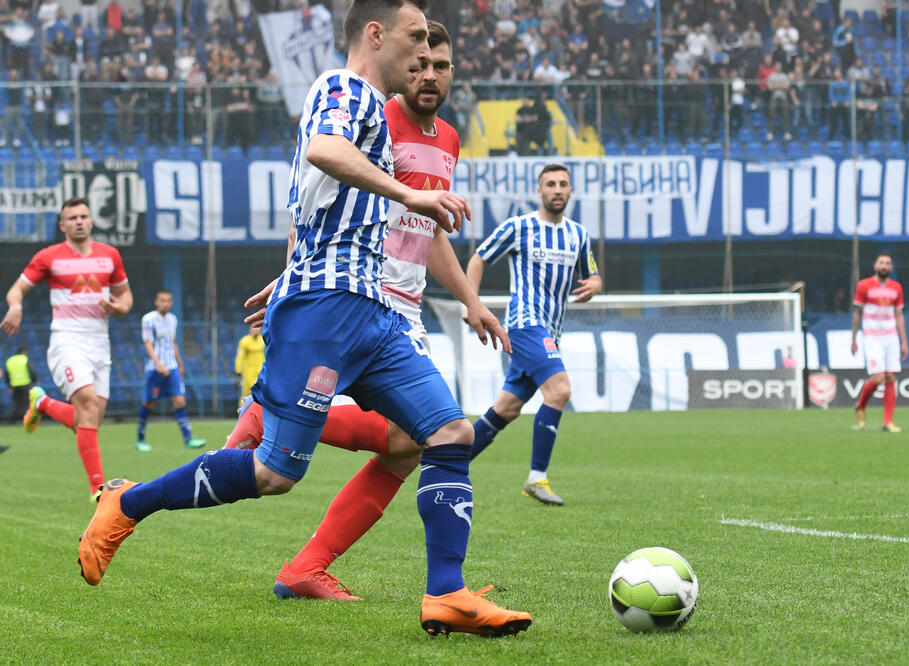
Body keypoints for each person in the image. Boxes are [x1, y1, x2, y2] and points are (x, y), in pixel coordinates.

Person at [76, 0, 531, 639]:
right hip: (325, 312)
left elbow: (324, 209)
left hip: (369, 311)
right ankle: (128, 503)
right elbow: (322, 149)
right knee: (274, 473)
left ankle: (447, 594)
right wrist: (408, 193)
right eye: (413, 37)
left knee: (449, 434)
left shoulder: (385, 111)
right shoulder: (347, 89)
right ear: (376, 34)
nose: (422, 51)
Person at [226, 20, 511, 603]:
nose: (428, 73)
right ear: (402, 57)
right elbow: (316, 192)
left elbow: (427, 228)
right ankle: (271, 414)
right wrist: (294, 278)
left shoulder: (448, 139)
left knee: (411, 445)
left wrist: (471, 300)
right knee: (424, 436)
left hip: (405, 301)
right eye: (420, 60)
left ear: (454, 72)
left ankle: (306, 563)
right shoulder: (375, 114)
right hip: (357, 292)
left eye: (441, 65)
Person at [466, 163, 603, 505]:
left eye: (563, 184)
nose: (557, 190)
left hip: (552, 332)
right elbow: (478, 258)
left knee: (507, 409)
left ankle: (447, 462)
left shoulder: (577, 235)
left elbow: (592, 272)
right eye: (550, 184)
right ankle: (537, 478)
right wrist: (472, 303)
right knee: (560, 390)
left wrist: (596, 283)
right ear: (539, 191)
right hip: (525, 324)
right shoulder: (519, 227)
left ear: (571, 192)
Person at [1, 198, 133, 500]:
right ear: (62, 225)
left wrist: (117, 307)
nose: (78, 221)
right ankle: (98, 491)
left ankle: (41, 403)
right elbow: (16, 289)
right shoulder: (49, 257)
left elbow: (126, 298)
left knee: (90, 421)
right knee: (87, 406)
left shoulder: (110, 256)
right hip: (66, 340)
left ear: (91, 220)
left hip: (99, 344)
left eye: (83, 216)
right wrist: (16, 306)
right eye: (72, 217)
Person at [135, 291, 206, 452]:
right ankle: (140, 439)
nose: (165, 303)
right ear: (156, 302)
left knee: (180, 401)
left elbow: (172, 342)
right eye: (162, 301)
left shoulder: (173, 319)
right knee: (149, 403)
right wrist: (159, 364)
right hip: (155, 369)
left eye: (168, 301)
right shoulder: (148, 319)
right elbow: (148, 344)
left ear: (171, 302)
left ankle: (189, 439)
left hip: (172, 367)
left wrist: (180, 365)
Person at [851, 252, 908, 433]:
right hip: (872, 336)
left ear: (891, 267)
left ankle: (887, 422)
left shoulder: (896, 288)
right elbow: (857, 312)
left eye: (888, 263)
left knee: (891, 376)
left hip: (890, 336)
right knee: (878, 377)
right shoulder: (864, 285)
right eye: (881, 263)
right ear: (875, 265)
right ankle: (861, 406)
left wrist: (904, 341)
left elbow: (899, 315)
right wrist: (853, 338)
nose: (884, 266)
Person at [5, 346, 37, 424]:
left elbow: (7, 375)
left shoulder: (10, 360)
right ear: (23, 352)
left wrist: (9, 386)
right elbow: (32, 371)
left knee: (16, 404)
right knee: (28, 404)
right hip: (26, 384)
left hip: (14, 386)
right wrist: (35, 382)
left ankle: (11, 422)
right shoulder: (25, 359)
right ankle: (29, 421)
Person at [233, 324, 265, 403]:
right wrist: (238, 371)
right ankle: (242, 413)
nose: (256, 330)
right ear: (250, 329)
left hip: (260, 372)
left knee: (261, 393)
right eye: (254, 328)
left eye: (257, 328)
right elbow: (240, 357)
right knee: (246, 394)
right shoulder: (245, 341)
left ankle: (259, 414)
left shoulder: (263, 340)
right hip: (248, 373)